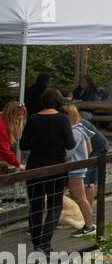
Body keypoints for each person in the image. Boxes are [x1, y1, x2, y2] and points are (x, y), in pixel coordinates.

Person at [19, 88, 76, 252]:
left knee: (36, 205)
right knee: (54, 205)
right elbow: (70, 144)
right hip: (56, 166)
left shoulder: (33, 118)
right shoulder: (63, 119)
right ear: (59, 101)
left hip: (35, 165)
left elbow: (23, 145)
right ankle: (46, 242)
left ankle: (36, 242)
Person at [63, 103, 93, 232]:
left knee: (80, 198)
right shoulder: (80, 129)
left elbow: (68, 152)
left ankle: (89, 225)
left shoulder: (75, 133)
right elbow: (89, 149)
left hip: (75, 169)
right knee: (78, 197)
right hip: (77, 167)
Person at [0, 101, 25, 203]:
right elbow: (4, 150)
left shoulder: (2, 119)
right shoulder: (1, 126)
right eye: (18, 116)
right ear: (11, 115)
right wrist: (18, 164)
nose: (20, 118)